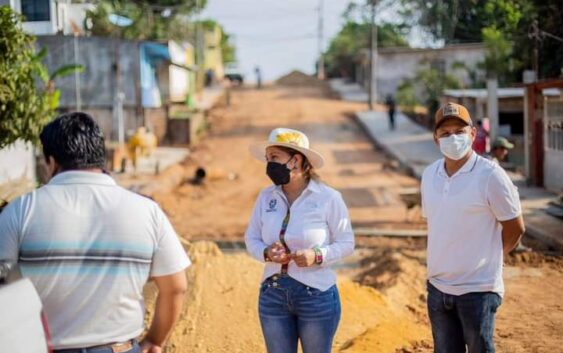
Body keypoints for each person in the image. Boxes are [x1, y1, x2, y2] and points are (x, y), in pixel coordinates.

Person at [0, 112, 191, 353]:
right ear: (102, 158)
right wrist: (154, 341)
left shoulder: (20, 211)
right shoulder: (147, 211)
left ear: (51, 161)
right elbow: (176, 286)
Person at [421, 103, 525, 353]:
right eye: (445, 133)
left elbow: (515, 226)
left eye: (459, 131)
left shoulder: (491, 175)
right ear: (436, 139)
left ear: (472, 134)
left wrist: (495, 259)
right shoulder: (429, 174)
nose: (452, 138)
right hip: (438, 288)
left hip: (478, 291)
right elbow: (438, 224)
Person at [245, 128, 354, 353]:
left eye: (274, 157)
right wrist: (266, 253)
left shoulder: (328, 198)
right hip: (272, 294)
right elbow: (251, 237)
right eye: (267, 159)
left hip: (317, 296)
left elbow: (346, 242)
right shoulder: (266, 197)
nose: (269, 165)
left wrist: (318, 255)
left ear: (296, 160)